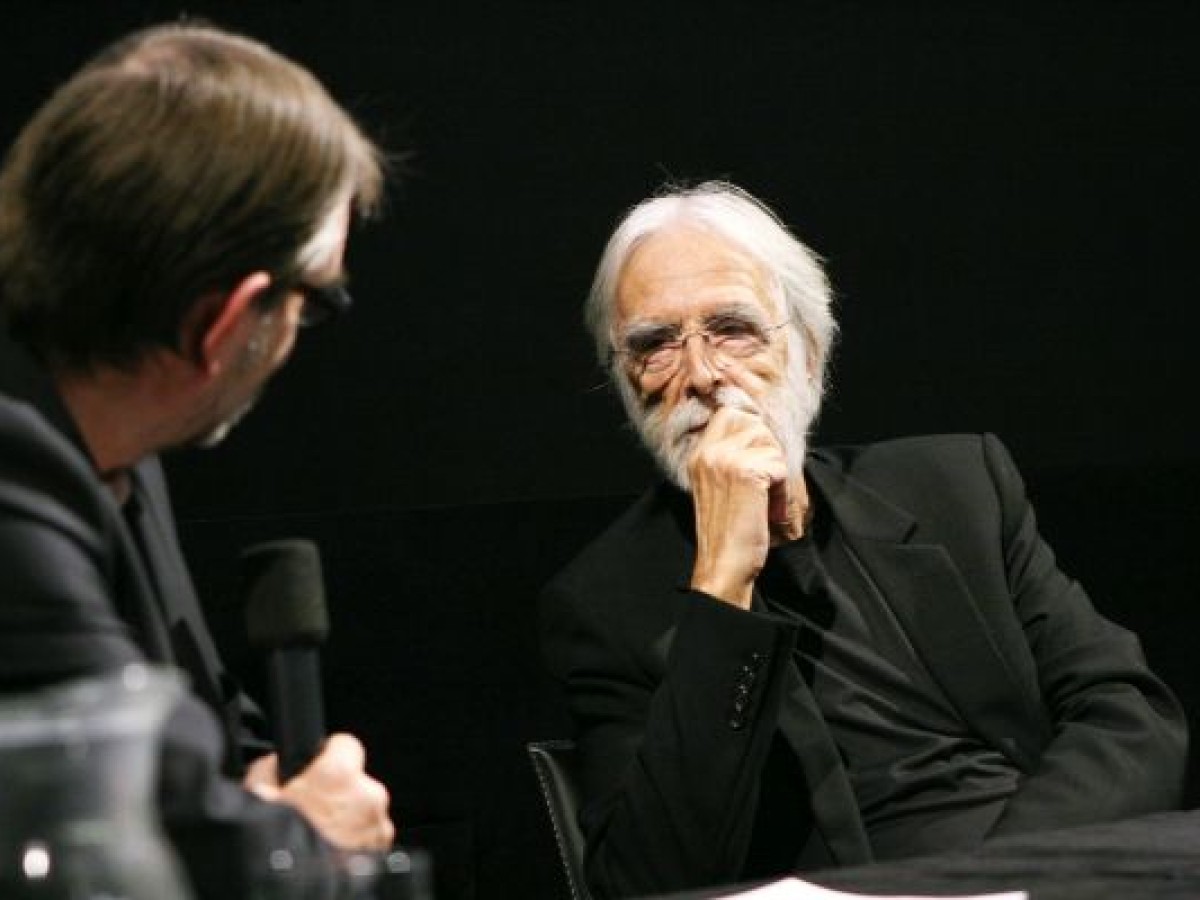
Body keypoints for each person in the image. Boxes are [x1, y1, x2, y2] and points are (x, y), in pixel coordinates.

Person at [540, 181, 1188, 899]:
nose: (701, 374)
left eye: (731, 328)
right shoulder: (606, 602)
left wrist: (999, 884)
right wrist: (721, 583)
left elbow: (1129, 713)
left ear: (810, 352)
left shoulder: (954, 488)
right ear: (625, 383)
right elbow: (646, 880)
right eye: (655, 345)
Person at [0, 22, 393, 898]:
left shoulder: (120, 453)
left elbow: (205, 746)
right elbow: (148, 818)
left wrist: (266, 805)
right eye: (314, 303)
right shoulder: (13, 468)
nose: (301, 333)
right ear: (225, 323)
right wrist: (309, 837)